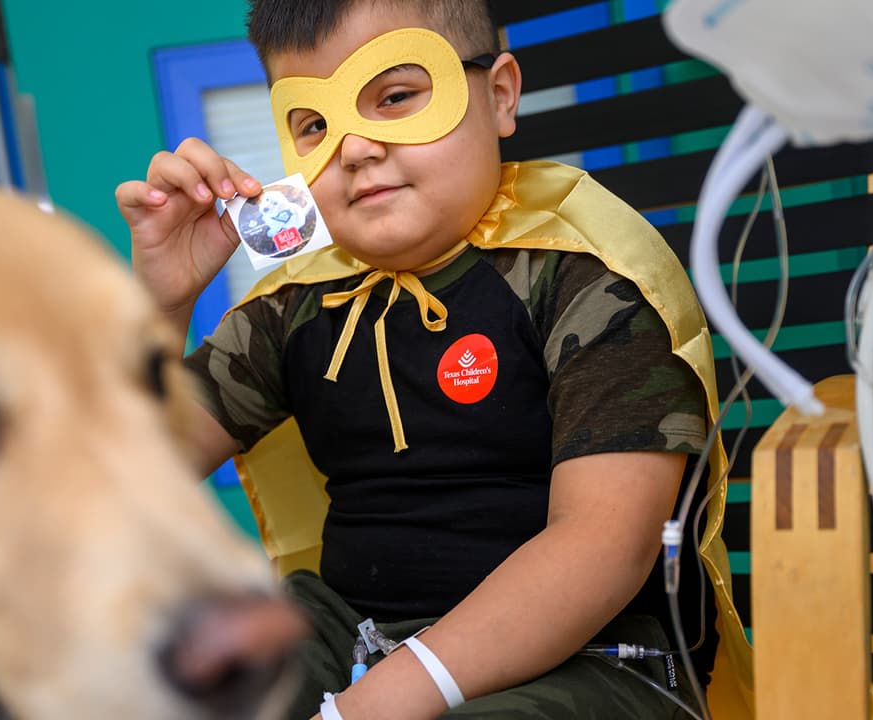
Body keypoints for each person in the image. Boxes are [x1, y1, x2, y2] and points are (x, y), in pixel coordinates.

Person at [115, 1, 727, 717]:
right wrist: (159, 308)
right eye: (314, 124)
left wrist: (367, 707)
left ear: (499, 95)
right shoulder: (290, 310)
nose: (354, 148)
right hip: (348, 632)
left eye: (397, 96)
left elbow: (605, 543)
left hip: (594, 659)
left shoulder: (588, 281)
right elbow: (124, 477)